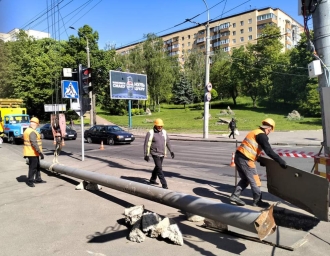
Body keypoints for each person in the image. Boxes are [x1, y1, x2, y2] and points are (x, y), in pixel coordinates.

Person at [229, 118, 287, 207]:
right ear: (269, 128)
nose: (269, 132)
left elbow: (251, 147)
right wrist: (280, 161)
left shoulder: (255, 132)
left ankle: (235, 196)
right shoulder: (262, 135)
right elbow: (269, 151)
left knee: (245, 179)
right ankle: (257, 201)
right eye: (270, 131)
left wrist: (259, 159)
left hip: (239, 157)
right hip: (246, 159)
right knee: (256, 181)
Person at [144, 118, 175, 189]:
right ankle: (164, 184)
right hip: (155, 153)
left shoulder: (164, 132)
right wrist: (146, 154)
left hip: (162, 153)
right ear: (155, 125)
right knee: (159, 168)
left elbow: (168, 142)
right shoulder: (150, 133)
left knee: (157, 167)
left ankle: (152, 179)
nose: (160, 127)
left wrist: (171, 151)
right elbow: (146, 144)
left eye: (161, 126)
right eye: (159, 126)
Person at [23, 117, 46, 187]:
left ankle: (38, 179)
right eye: (37, 125)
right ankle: (30, 181)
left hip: (32, 152)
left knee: (37, 166)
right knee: (32, 167)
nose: (37, 126)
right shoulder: (31, 131)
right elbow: (34, 143)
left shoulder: (27, 130)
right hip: (32, 152)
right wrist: (40, 152)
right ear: (35, 124)